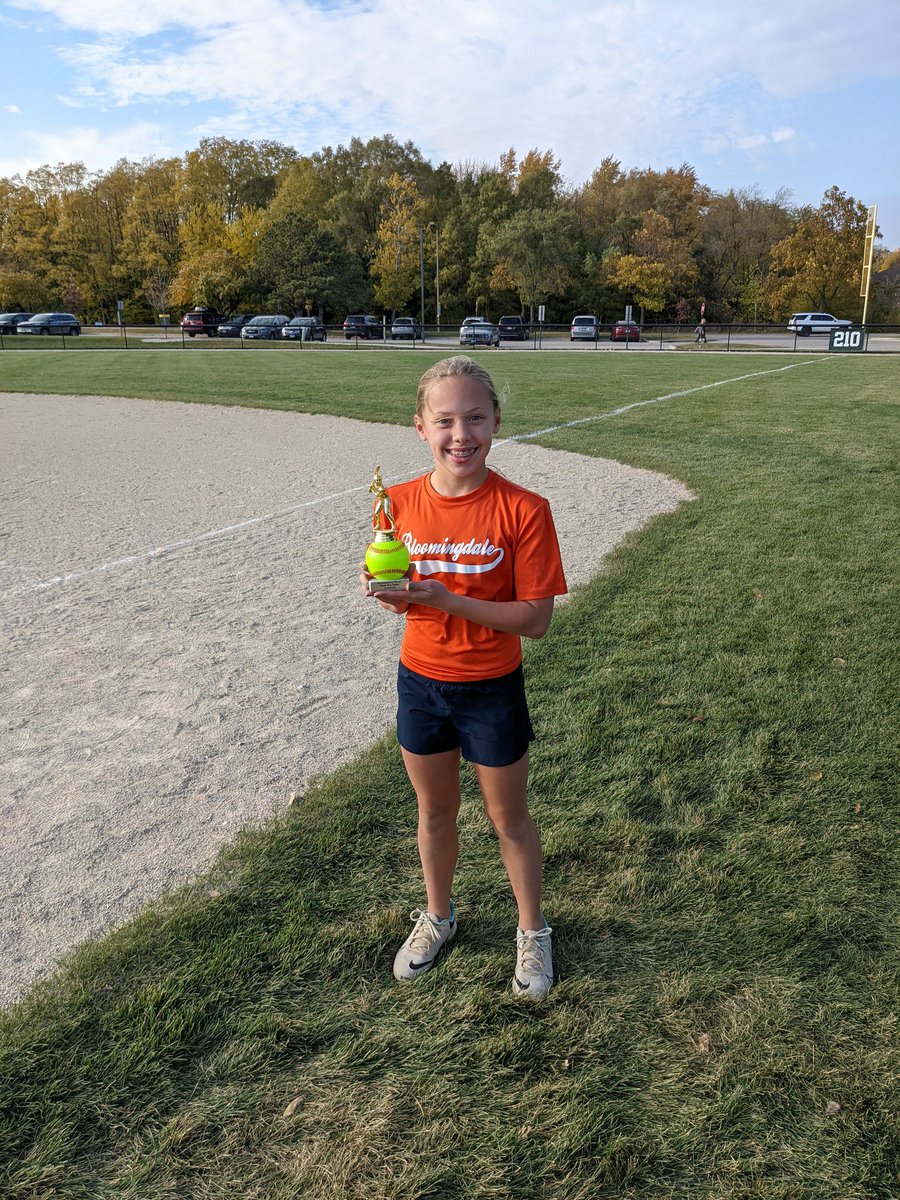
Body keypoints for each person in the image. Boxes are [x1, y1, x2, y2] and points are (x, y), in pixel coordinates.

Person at [361, 355, 568, 999]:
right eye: (445, 420)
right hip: (420, 682)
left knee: (509, 818)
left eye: (475, 418)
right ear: (420, 426)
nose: (462, 434)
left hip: (490, 687)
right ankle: (439, 916)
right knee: (434, 810)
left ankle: (532, 933)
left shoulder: (524, 509)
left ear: (496, 421)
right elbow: (390, 580)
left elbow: (535, 620)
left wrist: (445, 599)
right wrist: (386, 591)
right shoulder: (394, 504)